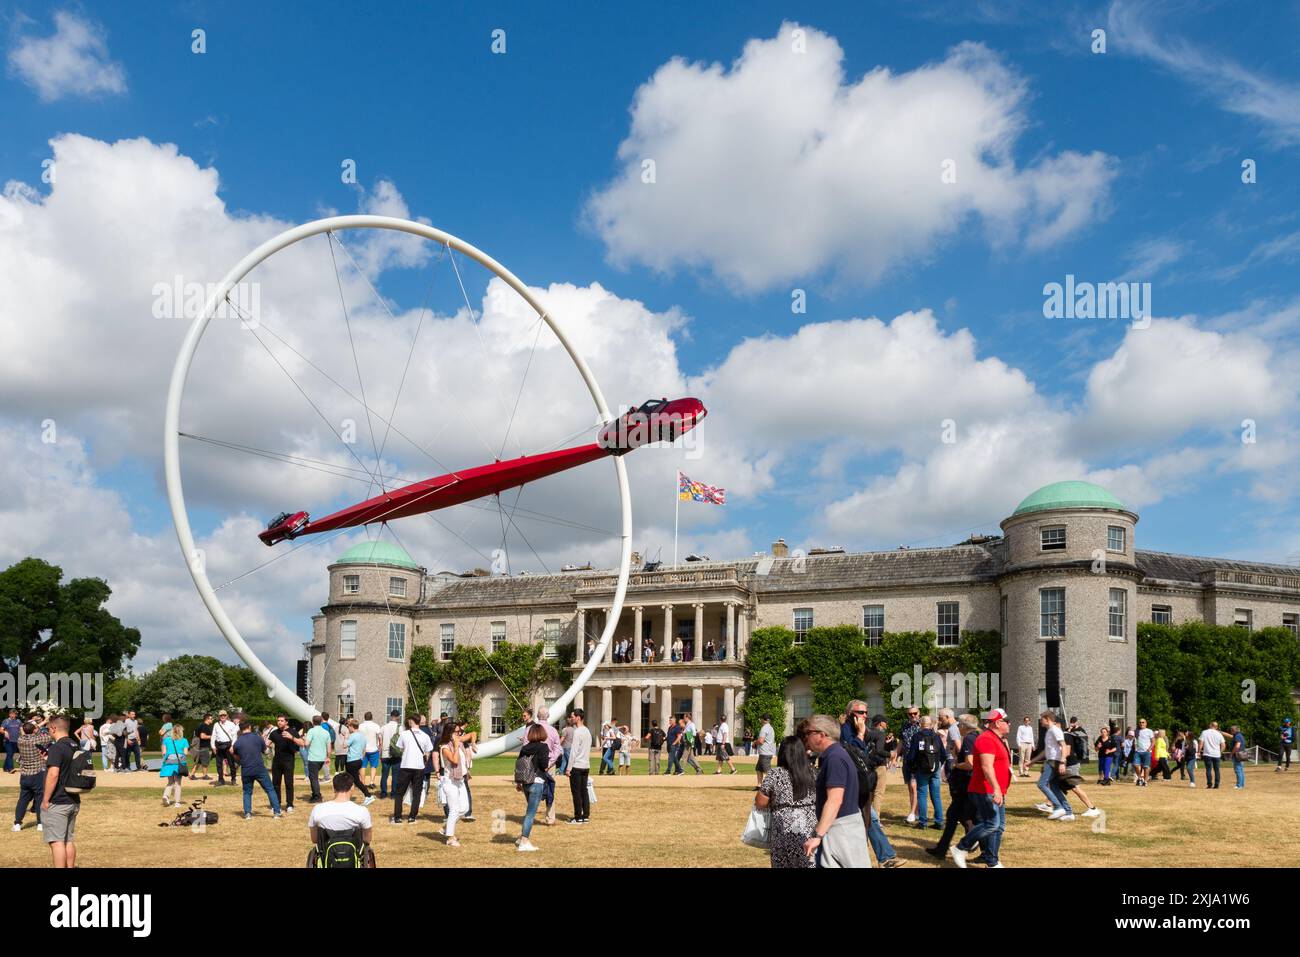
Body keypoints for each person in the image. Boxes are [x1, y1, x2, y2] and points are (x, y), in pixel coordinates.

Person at [798, 715, 870, 868]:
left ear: (821, 735)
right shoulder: (834, 755)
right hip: (840, 827)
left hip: (842, 829)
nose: (806, 737)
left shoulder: (835, 758)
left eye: (808, 733)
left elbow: (835, 800)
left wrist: (817, 835)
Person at [951, 709, 1013, 869]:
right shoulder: (986, 739)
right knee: (991, 824)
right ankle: (960, 848)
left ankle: (991, 860)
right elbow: (986, 767)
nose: (1010, 724)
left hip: (994, 790)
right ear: (998, 723)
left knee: (998, 826)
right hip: (985, 789)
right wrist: (996, 789)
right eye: (1007, 721)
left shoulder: (997, 739)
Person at [755, 735, 816, 868]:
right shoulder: (812, 772)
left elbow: (760, 802)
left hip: (784, 829)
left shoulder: (775, 774)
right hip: (809, 828)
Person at [927, 713, 980, 861]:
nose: (958, 728)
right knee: (953, 816)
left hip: (964, 784)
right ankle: (941, 850)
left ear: (963, 726)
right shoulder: (977, 736)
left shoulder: (969, 739)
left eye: (960, 725)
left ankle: (972, 840)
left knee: (965, 816)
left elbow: (970, 763)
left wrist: (956, 764)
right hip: (968, 784)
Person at [41, 716, 80, 867]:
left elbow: (53, 774)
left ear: (53, 728)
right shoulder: (74, 744)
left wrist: (45, 799)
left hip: (58, 801)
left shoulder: (57, 747)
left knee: (56, 842)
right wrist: (48, 760)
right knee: (68, 840)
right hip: (73, 799)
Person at [309, 772, 373, 850]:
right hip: (352, 853)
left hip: (327, 854)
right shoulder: (361, 811)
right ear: (352, 787)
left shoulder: (318, 809)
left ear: (333, 788)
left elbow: (314, 839)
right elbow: (367, 839)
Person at [231, 719, 281, 819]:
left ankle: (247, 813)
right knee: (270, 789)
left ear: (240, 730)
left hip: (246, 769)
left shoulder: (238, 742)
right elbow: (266, 752)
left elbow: (234, 754)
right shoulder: (257, 738)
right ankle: (276, 812)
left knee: (247, 792)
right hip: (259, 768)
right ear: (249, 727)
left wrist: (241, 761)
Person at [392, 716, 434, 826]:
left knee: (400, 793)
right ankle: (412, 817)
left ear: (411, 722)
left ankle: (398, 817)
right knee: (417, 793)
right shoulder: (425, 736)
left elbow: (400, 748)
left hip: (406, 765)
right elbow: (428, 752)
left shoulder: (404, 734)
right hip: (419, 767)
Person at [906, 715, 945, 830]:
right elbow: (942, 753)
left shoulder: (917, 736)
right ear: (931, 724)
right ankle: (939, 821)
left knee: (922, 795)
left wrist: (912, 768)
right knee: (936, 795)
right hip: (935, 768)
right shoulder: (936, 736)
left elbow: (911, 755)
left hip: (922, 768)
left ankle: (923, 822)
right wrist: (938, 765)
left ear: (920, 724)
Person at [516, 723, 550, 852]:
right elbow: (544, 765)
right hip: (537, 781)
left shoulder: (525, 747)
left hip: (525, 782)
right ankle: (524, 841)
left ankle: (521, 838)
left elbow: (519, 764)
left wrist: (519, 783)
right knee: (530, 813)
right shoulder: (543, 747)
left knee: (529, 811)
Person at [13, 719, 50, 832]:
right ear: (34, 730)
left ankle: (17, 824)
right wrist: (41, 725)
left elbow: (24, 731)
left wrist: (33, 726)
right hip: (38, 773)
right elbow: (49, 736)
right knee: (39, 799)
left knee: (23, 800)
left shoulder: (20, 740)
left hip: (25, 774)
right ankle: (40, 823)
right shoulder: (38, 739)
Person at [267, 715, 304, 813]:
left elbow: (302, 743)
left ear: (286, 722)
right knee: (275, 784)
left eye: (281, 721)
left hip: (288, 761)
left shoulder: (292, 731)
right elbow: (266, 743)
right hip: (277, 761)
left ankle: (289, 804)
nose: (279, 722)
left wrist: (291, 737)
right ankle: (276, 804)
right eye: (278, 720)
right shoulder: (274, 733)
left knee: (289, 783)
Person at [565, 708, 592, 824]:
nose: (571, 718)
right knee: (584, 791)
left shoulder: (578, 732)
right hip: (586, 765)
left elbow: (573, 752)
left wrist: (568, 768)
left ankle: (577, 817)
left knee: (576, 793)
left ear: (578, 717)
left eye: (573, 716)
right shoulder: (587, 731)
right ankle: (585, 815)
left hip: (577, 766)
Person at [343, 718, 375, 805]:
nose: (348, 729)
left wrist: (346, 737)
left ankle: (368, 796)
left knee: (355, 780)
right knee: (351, 779)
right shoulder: (362, 736)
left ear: (352, 727)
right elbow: (364, 750)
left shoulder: (352, 736)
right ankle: (346, 797)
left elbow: (344, 746)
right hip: (359, 760)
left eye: (348, 727)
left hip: (352, 761)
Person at [899, 706, 921, 822]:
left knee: (914, 786)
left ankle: (913, 813)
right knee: (910, 787)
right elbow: (901, 743)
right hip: (907, 760)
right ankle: (916, 812)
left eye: (915, 713)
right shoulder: (904, 726)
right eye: (910, 714)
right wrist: (895, 756)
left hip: (919, 761)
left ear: (919, 713)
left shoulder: (924, 725)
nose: (913, 715)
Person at [160, 723, 187, 808]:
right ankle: (177, 802)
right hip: (179, 763)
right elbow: (185, 753)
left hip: (168, 762)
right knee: (178, 782)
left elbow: (164, 752)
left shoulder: (167, 740)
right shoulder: (184, 740)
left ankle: (166, 795)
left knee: (170, 781)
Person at [356, 711, 383, 791]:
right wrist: (380, 746)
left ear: (364, 717)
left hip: (363, 749)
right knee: (373, 766)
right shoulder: (376, 726)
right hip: (373, 749)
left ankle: (363, 783)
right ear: (372, 717)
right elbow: (380, 738)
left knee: (362, 766)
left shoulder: (360, 726)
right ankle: (371, 782)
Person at [212, 710, 239, 785]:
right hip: (219, 745)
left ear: (227, 716)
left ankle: (233, 779)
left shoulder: (231, 724)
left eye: (224, 715)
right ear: (219, 717)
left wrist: (232, 746)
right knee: (218, 764)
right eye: (221, 715)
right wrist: (213, 747)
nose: (222, 717)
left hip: (228, 745)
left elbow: (234, 736)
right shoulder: (216, 724)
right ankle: (221, 780)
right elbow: (213, 736)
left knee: (231, 764)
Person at [378, 709, 401, 798]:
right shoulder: (400, 727)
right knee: (395, 775)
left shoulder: (383, 727)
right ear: (398, 717)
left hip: (385, 753)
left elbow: (380, 742)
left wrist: (380, 753)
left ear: (390, 716)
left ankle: (383, 793)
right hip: (396, 754)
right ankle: (393, 794)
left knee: (384, 775)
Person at [1199, 721, 1225, 789]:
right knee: (1217, 770)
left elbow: (1201, 743)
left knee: (1208, 770)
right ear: (1216, 727)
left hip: (1207, 754)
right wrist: (1220, 752)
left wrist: (1198, 751)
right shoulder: (1219, 734)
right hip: (1216, 754)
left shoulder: (1204, 732)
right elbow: (1223, 745)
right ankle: (1217, 784)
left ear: (1210, 725)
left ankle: (1209, 784)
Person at [754, 713, 776, 788]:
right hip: (767, 752)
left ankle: (773, 786)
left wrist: (754, 743)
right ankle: (759, 785)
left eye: (761, 718)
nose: (760, 720)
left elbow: (761, 741)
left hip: (765, 752)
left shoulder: (764, 728)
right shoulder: (770, 727)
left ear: (763, 720)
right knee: (758, 769)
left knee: (767, 770)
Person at [1133, 717, 1154, 787]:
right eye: (1140, 722)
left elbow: (1153, 741)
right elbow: (1135, 740)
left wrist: (1149, 749)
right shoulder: (1136, 731)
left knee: (1146, 767)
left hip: (1146, 752)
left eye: (1143, 722)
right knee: (1136, 765)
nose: (1141, 723)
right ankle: (1140, 778)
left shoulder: (1149, 731)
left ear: (1146, 723)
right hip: (1138, 751)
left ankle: (1145, 781)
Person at [192, 714, 214, 779]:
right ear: (207, 719)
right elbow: (202, 736)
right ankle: (205, 775)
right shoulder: (205, 726)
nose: (212, 720)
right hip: (203, 746)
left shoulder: (200, 725)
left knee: (199, 762)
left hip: (199, 746)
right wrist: (212, 737)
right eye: (211, 718)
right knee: (205, 761)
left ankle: (192, 774)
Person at [1230, 725, 1247, 789]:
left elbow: (1237, 746)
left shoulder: (1237, 736)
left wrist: (1232, 753)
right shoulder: (1240, 735)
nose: (1231, 731)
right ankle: (1241, 785)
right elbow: (1230, 736)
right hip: (1242, 754)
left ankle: (1239, 785)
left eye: (1231, 730)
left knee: (1238, 770)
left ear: (1234, 730)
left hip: (1237, 755)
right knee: (1241, 770)